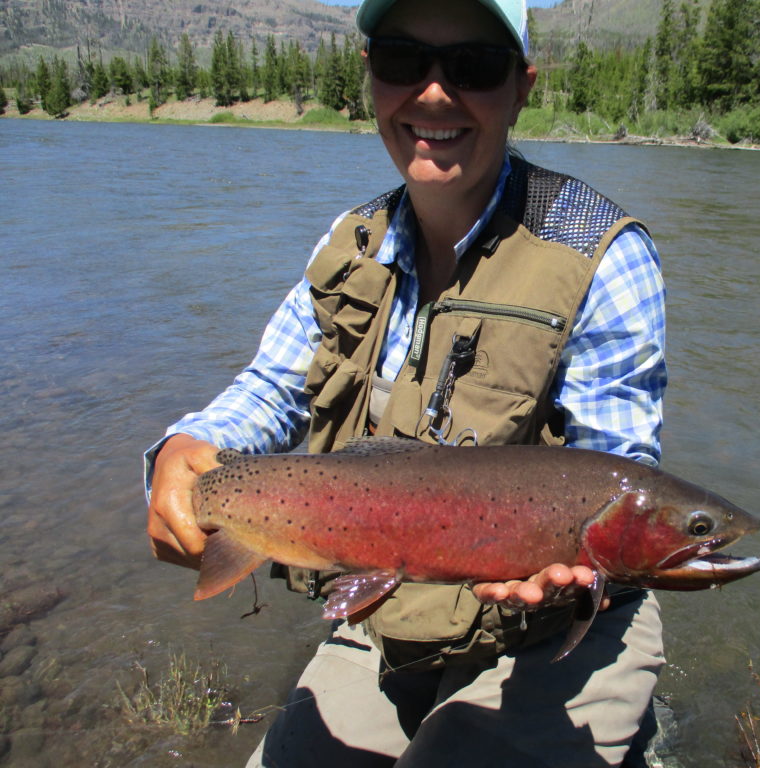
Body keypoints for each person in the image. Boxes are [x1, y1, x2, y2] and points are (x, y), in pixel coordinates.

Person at [145, 0, 668, 765]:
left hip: (558, 633)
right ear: (370, 78)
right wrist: (184, 453)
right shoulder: (348, 244)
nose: (431, 93)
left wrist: (567, 571)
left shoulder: (603, 254)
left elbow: (617, 471)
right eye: (401, 60)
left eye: (473, 67)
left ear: (521, 87)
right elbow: (272, 390)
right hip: (391, 613)